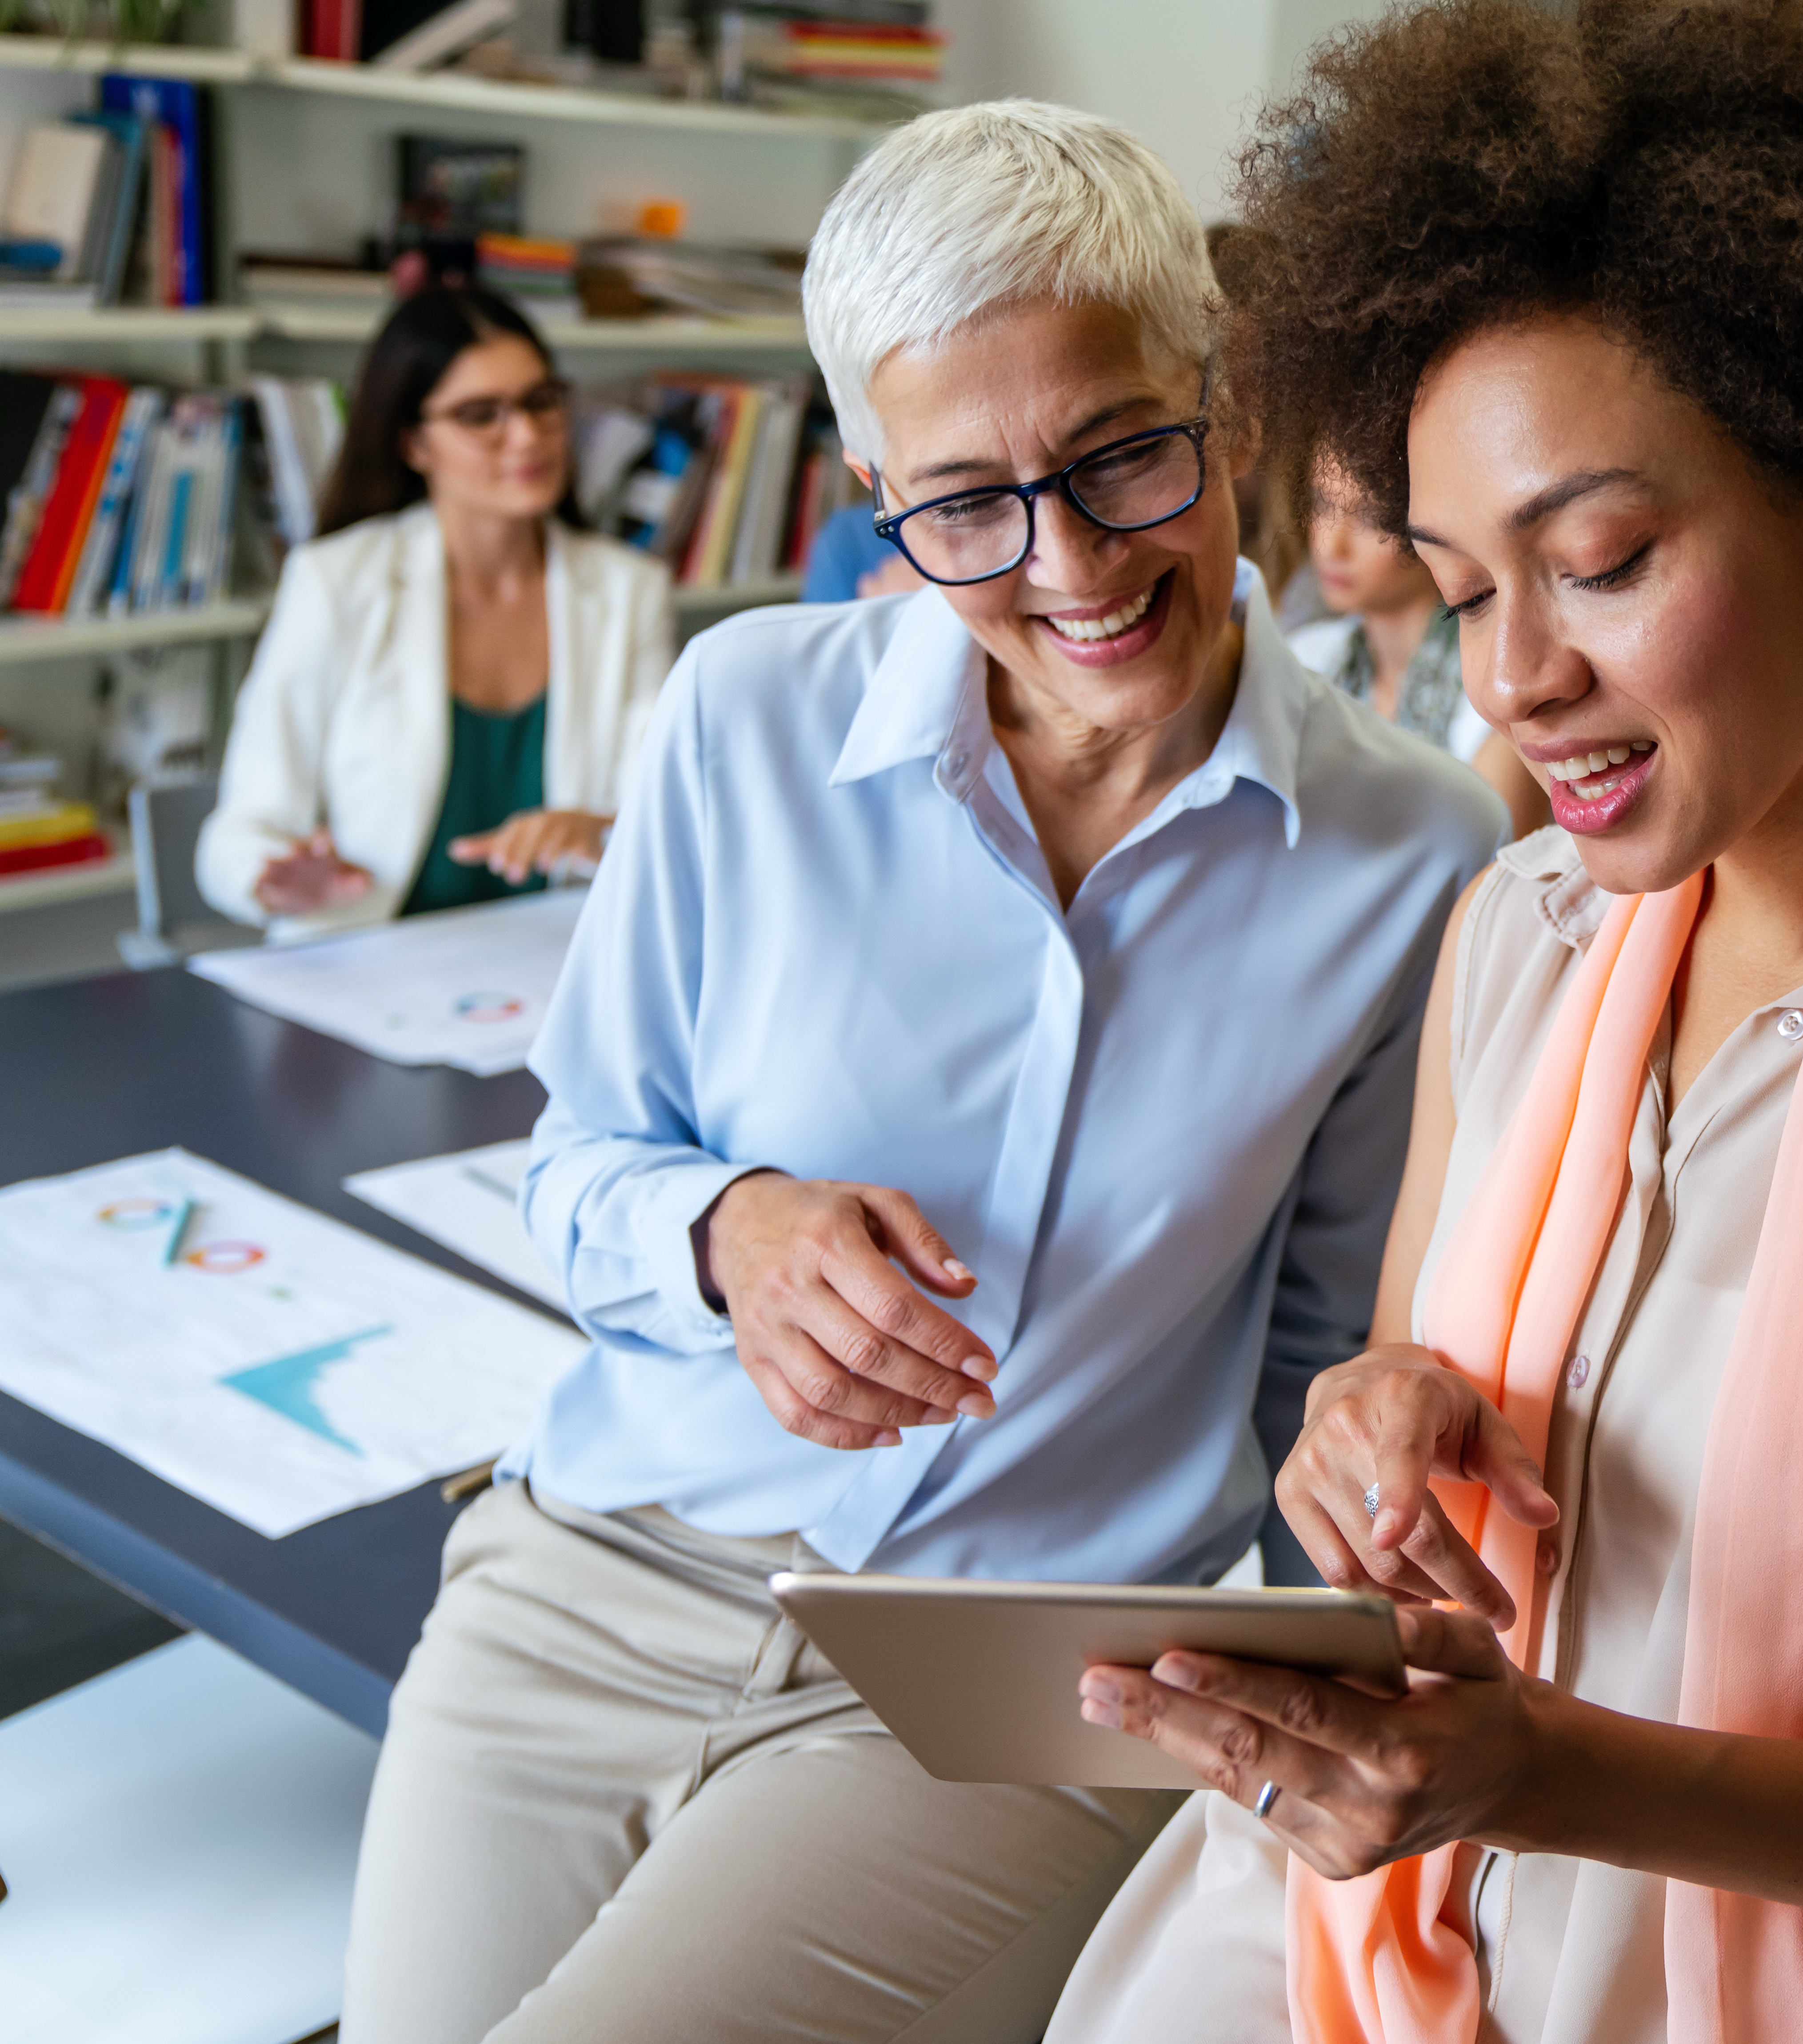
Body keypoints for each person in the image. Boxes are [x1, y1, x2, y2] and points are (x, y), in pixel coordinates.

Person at [1047, 5, 1803, 2040]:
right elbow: (1406, 1372)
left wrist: (1551, 1776)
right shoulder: (1517, 930)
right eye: (1462, 588)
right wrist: (1369, 1431)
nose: (1514, 676)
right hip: (1345, 1921)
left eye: (1600, 561)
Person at [338, 100, 1503, 2044]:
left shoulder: (1411, 850)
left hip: (1015, 1677)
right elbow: (576, 1169)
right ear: (873, 483)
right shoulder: (736, 718)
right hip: (589, 1574)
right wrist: (729, 1230)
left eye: (1125, 455)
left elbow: (1325, 1368)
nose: (1068, 564)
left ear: (1221, 405)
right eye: (963, 502)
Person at [197, 286, 675, 937]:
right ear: (414, 443)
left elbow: (659, 821)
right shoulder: (336, 582)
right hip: (366, 966)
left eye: (541, 402)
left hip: (558, 966)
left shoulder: (630, 591)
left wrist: (598, 831)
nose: (528, 435)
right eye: (482, 414)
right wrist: (274, 877)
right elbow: (237, 835)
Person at [1291, 455, 1547, 834]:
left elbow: (1492, 864)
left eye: (1370, 517)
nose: (1332, 545)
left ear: (1431, 524)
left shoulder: (1496, 684)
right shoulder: (1304, 658)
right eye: (1322, 504)